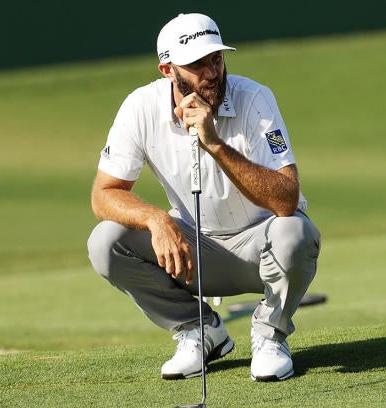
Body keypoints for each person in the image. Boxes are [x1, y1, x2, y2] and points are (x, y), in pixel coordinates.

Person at [87, 12, 321, 382]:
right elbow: (103, 196)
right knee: (105, 242)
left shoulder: (255, 99)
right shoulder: (140, 106)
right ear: (167, 70)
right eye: (197, 64)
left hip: (260, 247)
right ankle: (199, 330)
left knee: (295, 232)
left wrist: (215, 143)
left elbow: (286, 199)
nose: (212, 72)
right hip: (193, 251)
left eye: (217, 58)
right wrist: (156, 219)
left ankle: (269, 334)